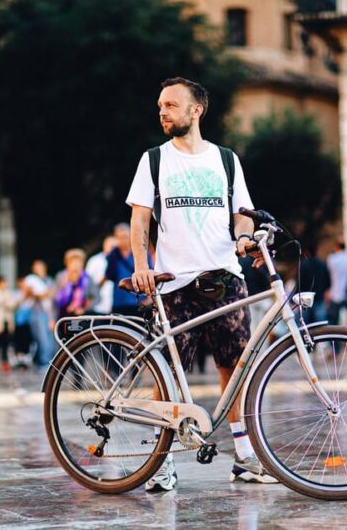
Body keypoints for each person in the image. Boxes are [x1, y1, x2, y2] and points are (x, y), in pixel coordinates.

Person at [126, 77, 276, 492]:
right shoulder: (154, 160)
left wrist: (245, 237)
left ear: (197, 110)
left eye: (171, 105)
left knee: (235, 367)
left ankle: (245, 457)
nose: (162, 111)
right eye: (160, 105)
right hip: (174, 283)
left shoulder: (225, 160)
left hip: (225, 277)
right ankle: (162, 460)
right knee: (167, 375)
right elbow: (140, 220)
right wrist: (142, 266)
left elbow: (241, 213)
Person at [105, 223, 152, 316]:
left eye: (125, 237)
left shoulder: (141, 253)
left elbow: (150, 274)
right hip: (119, 301)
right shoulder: (113, 255)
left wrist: (149, 298)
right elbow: (109, 275)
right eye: (119, 237)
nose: (122, 240)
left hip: (138, 301)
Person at [25, 259, 56, 369]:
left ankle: (50, 363)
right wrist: (45, 293)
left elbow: (53, 295)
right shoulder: (31, 280)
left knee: (51, 340)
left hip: (50, 313)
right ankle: (43, 363)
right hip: (38, 313)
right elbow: (31, 294)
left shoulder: (49, 280)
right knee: (42, 339)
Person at [55, 249, 99, 319]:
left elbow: (97, 297)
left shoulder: (88, 278)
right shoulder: (61, 277)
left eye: (78, 261)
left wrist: (84, 309)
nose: (75, 264)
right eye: (72, 261)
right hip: (63, 316)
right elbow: (55, 299)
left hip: (82, 316)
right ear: (67, 263)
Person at [326, 239, 347, 327]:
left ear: (336, 247)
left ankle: (334, 340)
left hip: (335, 292)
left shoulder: (332, 259)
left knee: (333, 320)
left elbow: (329, 274)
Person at [298, 244, 331, 324]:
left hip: (306, 298)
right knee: (320, 323)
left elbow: (299, 282)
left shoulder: (303, 265)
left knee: (305, 323)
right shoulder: (322, 264)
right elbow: (328, 281)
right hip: (319, 296)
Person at [86, 235, 117, 315]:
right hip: (98, 306)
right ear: (105, 246)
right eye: (111, 246)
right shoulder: (95, 261)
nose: (113, 249)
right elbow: (87, 284)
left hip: (116, 307)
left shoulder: (120, 261)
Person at [13, 277, 34, 369]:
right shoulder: (17, 294)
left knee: (27, 339)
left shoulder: (31, 296)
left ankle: (25, 357)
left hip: (27, 321)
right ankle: (19, 357)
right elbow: (15, 305)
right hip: (18, 322)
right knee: (18, 340)